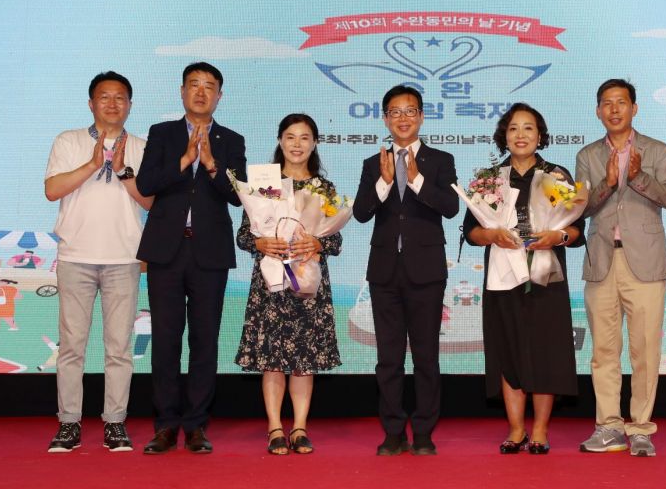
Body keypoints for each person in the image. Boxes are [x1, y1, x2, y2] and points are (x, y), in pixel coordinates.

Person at [136, 62, 246, 454]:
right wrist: (184, 160)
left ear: (220, 95)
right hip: (166, 250)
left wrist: (212, 163)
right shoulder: (161, 134)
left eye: (209, 86)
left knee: (204, 341)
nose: (201, 92)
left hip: (209, 253)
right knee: (165, 340)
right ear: (181, 92)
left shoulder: (232, 140)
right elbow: (147, 183)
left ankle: (197, 425)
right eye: (194, 85)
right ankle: (165, 424)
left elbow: (237, 196)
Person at [462, 103, 584, 455]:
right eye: (514, 128)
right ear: (504, 136)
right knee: (508, 350)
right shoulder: (489, 179)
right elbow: (471, 230)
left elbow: (577, 227)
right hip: (503, 275)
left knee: (546, 351)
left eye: (528, 128)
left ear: (540, 135)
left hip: (546, 276)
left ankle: (541, 431)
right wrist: (491, 236)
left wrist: (557, 237)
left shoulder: (557, 176)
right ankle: (516, 430)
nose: (520, 135)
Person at [43, 71, 152, 452]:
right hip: (75, 256)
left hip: (124, 258)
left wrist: (123, 171)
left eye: (120, 97)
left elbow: (153, 202)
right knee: (72, 345)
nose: (112, 103)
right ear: (91, 103)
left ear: (129, 105)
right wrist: (92, 165)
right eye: (104, 97)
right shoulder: (68, 140)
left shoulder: (141, 146)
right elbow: (52, 190)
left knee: (118, 348)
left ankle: (115, 423)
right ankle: (69, 423)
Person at [576, 79, 666, 457]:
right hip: (602, 262)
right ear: (598, 111)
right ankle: (607, 426)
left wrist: (639, 177)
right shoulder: (588, 155)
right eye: (607, 103)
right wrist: (604, 185)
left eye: (622, 102)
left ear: (634, 108)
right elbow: (578, 210)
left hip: (646, 263)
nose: (615, 109)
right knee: (603, 351)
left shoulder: (657, 150)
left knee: (645, 351)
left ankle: (640, 429)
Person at [353, 85, 459, 456]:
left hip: (427, 271)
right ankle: (393, 431)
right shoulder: (373, 163)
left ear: (421, 117)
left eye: (409, 111)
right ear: (385, 118)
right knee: (389, 357)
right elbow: (361, 213)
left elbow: (450, 208)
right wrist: (385, 182)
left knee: (427, 357)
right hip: (384, 272)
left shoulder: (440, 160)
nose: (402, 118)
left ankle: (425, 432)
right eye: (395, 112)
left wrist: (415, 179)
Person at [235, 114, 342, 455]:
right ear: (280, 141)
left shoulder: (325, 189)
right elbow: (243, 235)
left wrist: (318, 243)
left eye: (305, 137)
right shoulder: (262, 186)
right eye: (291, 137)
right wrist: (261, 243)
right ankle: (274, 427)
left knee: (303, 359)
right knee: (272, 358)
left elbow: (336, 242)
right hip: (271, 284)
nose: (297, 144)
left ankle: (299, 427)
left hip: (308, 285)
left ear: (314, 144)